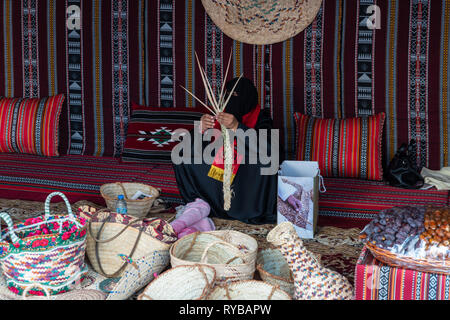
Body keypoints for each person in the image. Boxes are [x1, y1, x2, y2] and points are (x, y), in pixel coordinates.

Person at [173, 77, 277, 224]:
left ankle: (242, 209)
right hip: (218, 159)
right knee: (182, 154)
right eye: (227, 95)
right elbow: (193, 142)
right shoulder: (220, 114)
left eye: (235, 96)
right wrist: (201, 128)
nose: (230, 100)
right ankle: (203, 203)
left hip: (246, 170)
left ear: (248, 97)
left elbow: (268, 149)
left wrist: (236, 126)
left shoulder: (261, 117)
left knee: (264, 162)